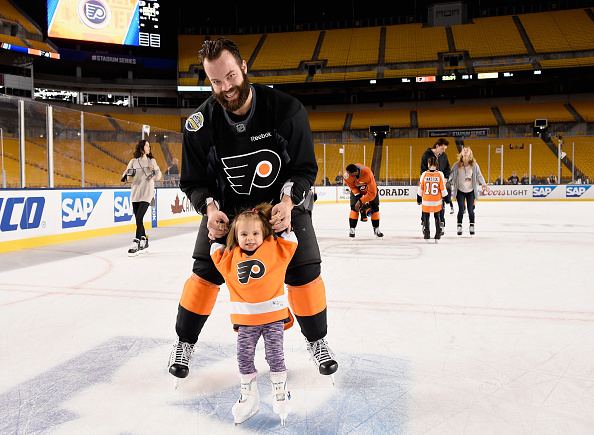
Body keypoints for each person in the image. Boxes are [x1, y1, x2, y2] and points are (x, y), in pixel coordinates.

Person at [167, 38, 337, 383]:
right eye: (216, 81)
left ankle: (317, 341)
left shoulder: (286, 109)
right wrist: (209, 208)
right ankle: (184, 343)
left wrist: (289, 203)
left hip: (280, 204)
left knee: (304, 271)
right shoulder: (199, 125)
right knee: (205, 272)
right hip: (229, 211)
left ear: (243, 67)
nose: (226, 87)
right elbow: (194, 181)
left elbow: (303, 168)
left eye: (230, 76)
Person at [210, 203, 296, 425]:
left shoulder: (275, 249)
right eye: (244, 234)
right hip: (247, 321)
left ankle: (280, 390)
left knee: (275, 355)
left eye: (256, 233)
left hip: (273, 318)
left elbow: (290, 240)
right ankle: (249, 394)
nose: (250, 238)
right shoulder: (230, 257)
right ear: (235, 236)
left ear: (264, 233)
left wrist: (284, 224)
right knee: (243, 357)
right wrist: (215, 233)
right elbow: (215, 250)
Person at [121, 139, 161, 256]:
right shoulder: (133, 161)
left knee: (139, 217)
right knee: (139, 219)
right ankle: (144, 238)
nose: (149, 148)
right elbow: (126, 177)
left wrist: (153, 171)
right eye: (147, 146)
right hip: (135, 192)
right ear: (142, 147)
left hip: (147, 191)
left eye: (149, 146)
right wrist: (128, 174)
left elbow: (158, 175)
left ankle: (136, 241)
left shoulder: (151, 160)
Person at [448, 147, 489, 236]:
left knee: (471, 210)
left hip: (470, 191)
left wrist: (484, 185)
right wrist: (446, 180)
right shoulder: (456, 165)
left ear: (470, 153)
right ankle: (459, 226)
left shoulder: (474, 165)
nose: (466, 151)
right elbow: (451, 174)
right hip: (460, 191)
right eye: (464, 150)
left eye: (468, 150)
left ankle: (472, 225)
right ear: (461, 153)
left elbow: (479, 175)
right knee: (461, 209)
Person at [343, 163, 383, 238]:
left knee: (375, 208)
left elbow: (372, 194)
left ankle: (376, 229)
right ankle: (352, 229)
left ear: (355, 173)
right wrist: (358, 196)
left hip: (370, 190)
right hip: (357, 190)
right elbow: (352, 187)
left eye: (350, 174)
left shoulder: (368, 174)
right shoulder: (347, 176)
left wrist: (361, 201)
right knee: (354, 208)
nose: (348, 175)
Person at [420, 137, 451, 234]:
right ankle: (425, 225)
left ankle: (441, 225)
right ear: (437, 146)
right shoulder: (426, 155)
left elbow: (447, 168)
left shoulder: (443, 156)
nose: (443, 151)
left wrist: (445, 178)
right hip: (429, 186)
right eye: (442, 148)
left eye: (444, 149)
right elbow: (423, 171)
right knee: (426, 206)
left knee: (441, 206)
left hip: (440, 186)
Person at [417, 156, 449, 240]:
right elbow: (443, 188)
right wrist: (446, 198)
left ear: (428, 164)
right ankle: (438, 233)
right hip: (436, 201)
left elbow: (421, 188)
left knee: (426, 217)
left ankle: (427, 233)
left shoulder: (424, 174)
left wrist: (419, 198)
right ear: (437, 165)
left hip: (426, 200)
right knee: (437, 216)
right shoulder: (440, 174)